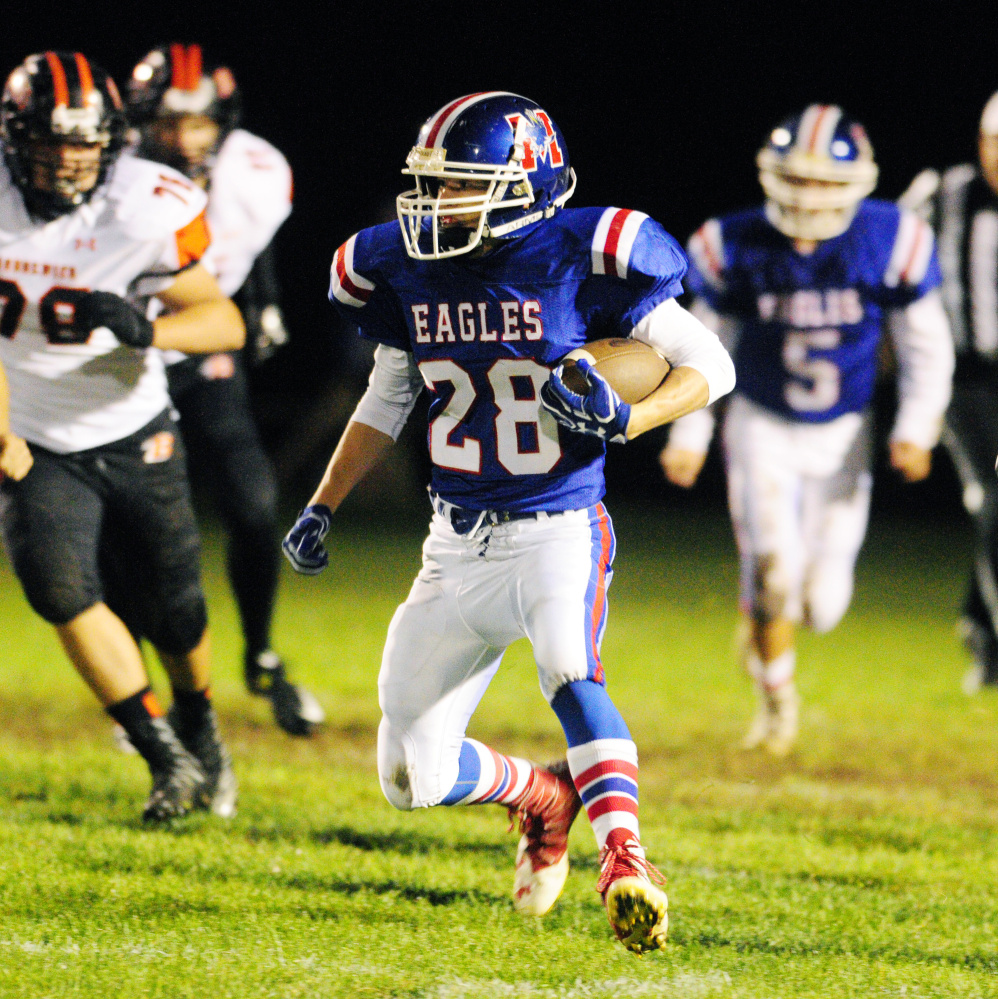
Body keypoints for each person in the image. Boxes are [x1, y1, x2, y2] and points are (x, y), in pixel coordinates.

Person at [282, 92, 735, 953]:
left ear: (523, 185)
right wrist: (321, 502)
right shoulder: (406, 270)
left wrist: (626, 421)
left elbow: (709, 362)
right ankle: (540, 796)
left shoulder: (581, 253)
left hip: (557, 526)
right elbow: (390, 392)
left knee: (572, 669)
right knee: (408, 775)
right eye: (434, 185)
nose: (438, 206)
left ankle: (627, 859)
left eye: (461, 186)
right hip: (452, 545)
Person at [661, 105, 955, 755]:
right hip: (761, 420)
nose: (810, 195)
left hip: (844, 431)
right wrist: (689, 436)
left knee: (822, 603)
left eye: (826, 182)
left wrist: (917, 427)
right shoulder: (733, 241)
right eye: (800, 178)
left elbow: (925, 344)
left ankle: (765, 624)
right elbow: (702, 342)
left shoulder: (890, 238)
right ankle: (776, 704)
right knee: (772, 567)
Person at [0, 51, 245, 820]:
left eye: (84, 141)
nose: (69, 158)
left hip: (133, 425)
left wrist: (148, 324)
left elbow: (223, 320)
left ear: (112, 139)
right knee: (57, 584)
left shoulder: (144, 203)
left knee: (173, 607)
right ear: (16, 137)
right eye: (51, 140)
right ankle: (162, 755)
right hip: (35, 433)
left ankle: (199, 723)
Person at [124, 43, 323, 736]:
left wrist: (264, 300)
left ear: (225, 121)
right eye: (171, 125)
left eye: (201, 124)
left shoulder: (255, 170)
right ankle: (142, 683)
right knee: (138, 525)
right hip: (125, 352)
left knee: (254, 498)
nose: (185, 140)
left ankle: (261, 651)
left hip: (203, 342)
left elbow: (244, 238)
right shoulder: (112, 169)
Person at [898, 92, 998, 692]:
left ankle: (978, 623)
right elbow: (882, 258)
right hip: (966, 379)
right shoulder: (942, 194)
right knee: (995, 496)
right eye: (993, 144)